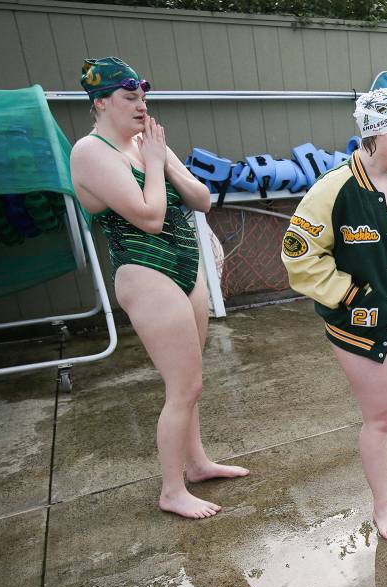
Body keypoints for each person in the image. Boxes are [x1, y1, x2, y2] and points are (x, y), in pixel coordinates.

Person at [70, 57, 248, 519]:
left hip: (186, 263)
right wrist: (154, 160)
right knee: (182, 387)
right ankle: (171, 490)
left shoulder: (145, 141)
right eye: (130, 98)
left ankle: (198, 463)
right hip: (143, 269)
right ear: (101, 102)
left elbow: (202, 198)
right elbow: (148, 216)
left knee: (192, 383)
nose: (141, 106)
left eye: (143, 97)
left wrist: (160, 158)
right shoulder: (89, 152)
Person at [281, 88, 387, 541]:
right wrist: (348, 294)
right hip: (361, 323)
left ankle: (386, 466)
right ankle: (380, 506)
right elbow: (299, 255)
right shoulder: (333, 190)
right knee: (380, 415)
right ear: (382, 133)